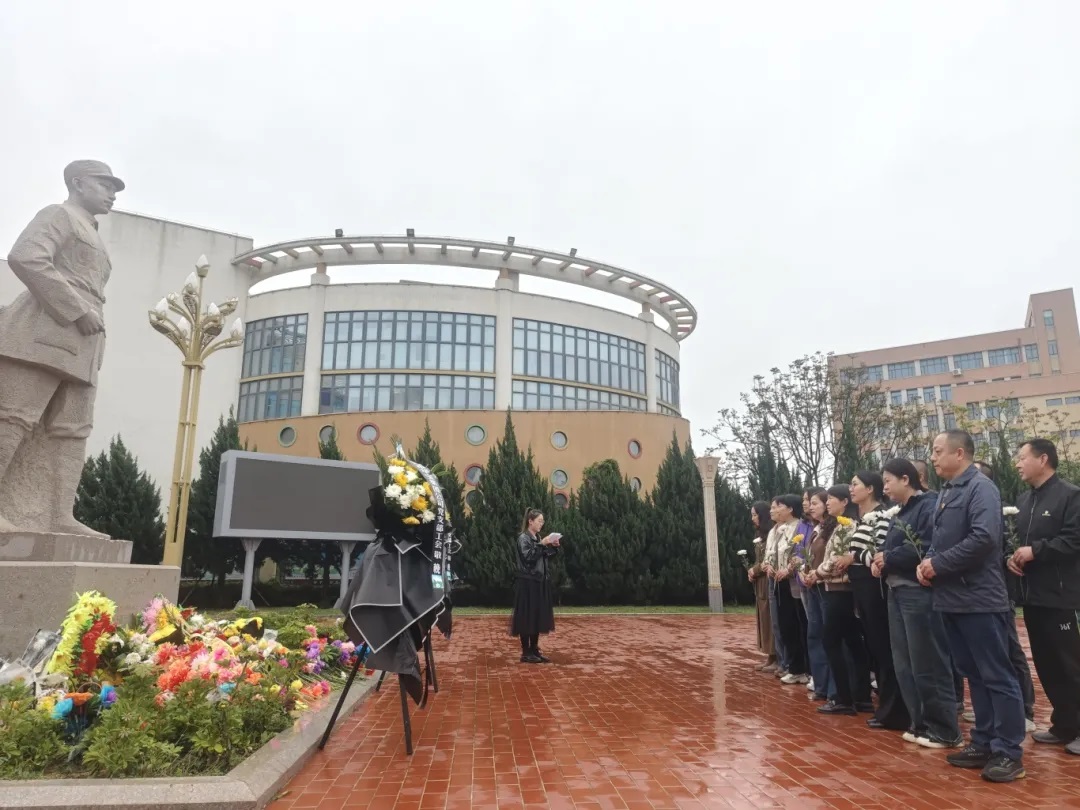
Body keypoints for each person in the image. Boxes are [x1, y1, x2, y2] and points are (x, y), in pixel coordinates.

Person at [0, 160, 124, 536]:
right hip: (42, 330)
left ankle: (59, 515)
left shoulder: (94, 233)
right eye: (105, 185)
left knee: (73, 429)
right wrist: (76, 310)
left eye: (113, 188)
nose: (112, 194)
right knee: (14, 416)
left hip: (84, 342)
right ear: (78, 183)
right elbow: (26, 256)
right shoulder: (58, 214)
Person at [919, 430, 1026, 783]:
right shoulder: (948, 491)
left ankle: (1008, 751)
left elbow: (984, 539)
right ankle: (984, 740)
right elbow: (939, 540)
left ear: (959, 453)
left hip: (979, 599)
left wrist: (938, 564)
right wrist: (927, 563)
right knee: (974, 674)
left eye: (938, 451)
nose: (933, 458)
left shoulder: (982, 488)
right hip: (952, 599)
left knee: (996, 674)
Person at [874, 458, 961, 749]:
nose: (885, 487)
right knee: (905, 663)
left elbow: (925, 546)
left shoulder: (928, 505)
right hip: (897, 591)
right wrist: (880, 559)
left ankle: (945, 729)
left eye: (888, 481)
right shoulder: (901, 511)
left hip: (918, 593)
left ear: (906, 479)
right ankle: (920, 723)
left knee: (928, 662)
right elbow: (890, 547)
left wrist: (888, 558)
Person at [1009, 438, 1080, 753]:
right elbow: (1017, 542)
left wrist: (1035, 550)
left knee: (1070, 665)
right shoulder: (1024, 500)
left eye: (1022, 457)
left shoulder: (1071, 496)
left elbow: (1074, 540)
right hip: (1032, 596)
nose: (1017, 463)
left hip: (1061, 598)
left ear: (1043, 459)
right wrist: (1012, 557)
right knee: (1047, 665)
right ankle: (1064, 725)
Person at [839, 470, 910, 731]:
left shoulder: (882, 515)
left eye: (855, 484)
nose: (851, 489)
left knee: (883, 648)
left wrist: (853, 558)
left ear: (870, 489)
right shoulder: (859, 519)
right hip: (861, 588)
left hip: (875, 588)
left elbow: (881, 554)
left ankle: (894, 710)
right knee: (874, 648)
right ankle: (885, 707)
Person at [972, 460, 1038, 731]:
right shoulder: (976, 509)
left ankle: (1026, 710)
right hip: (979, 594)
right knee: (987, 654)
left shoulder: (1004, 512)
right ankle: (994, 709)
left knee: (1011, 649)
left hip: (1001, 592)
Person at [815, 484, 873, 715]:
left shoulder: (848, 526)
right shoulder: (842, 525)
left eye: (831, 498)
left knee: (831, 640)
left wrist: (817, 573)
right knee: (853, 642)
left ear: (844, 502)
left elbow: (838, 558)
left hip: (841, 590)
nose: (827, 503)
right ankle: (860, 697)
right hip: (840, 589)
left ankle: (844, 698)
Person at [766, 495, 809, 684]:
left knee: (798, 626)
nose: (774, 510)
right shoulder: (777, 530)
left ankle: (803, 668)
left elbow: (799, 552)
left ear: (790, 508)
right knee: (785, 626)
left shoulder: (799, 526)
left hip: (793, 582)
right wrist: (769, 565)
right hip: (779, 581)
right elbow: (772, 553)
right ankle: (793, 666)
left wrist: (789, 569)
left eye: (778, 506)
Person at [510, 508, 560, 664]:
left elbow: (544, 557)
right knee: (527, 617)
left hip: (539, 581)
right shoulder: (523, 538)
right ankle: (526, 652)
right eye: (539, 521)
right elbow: (528, 558)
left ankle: (534, 649)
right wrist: (541, 544)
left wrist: (553, 547)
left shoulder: (537, 538)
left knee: (536, 616)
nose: (541, 524)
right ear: (530, 521)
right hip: (527, 582)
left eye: (542, 521)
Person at [797, 487, 832, 701]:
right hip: (813, 587)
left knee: (828, 637)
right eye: (810, 503)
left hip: (826, 588)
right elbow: (808, 557)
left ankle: (832, 687)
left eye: (815, 503)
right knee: (814, 635)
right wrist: (804, 571)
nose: (810, 507)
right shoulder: (816, 529)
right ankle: (820, 685)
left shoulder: (833, 529)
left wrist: (816, 574)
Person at [748, 501, 778, 672]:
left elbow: (768, 560)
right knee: (763, 618)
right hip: (760, 582)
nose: (753, 518)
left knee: (770, 618)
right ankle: (769, 655)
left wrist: (755, 569)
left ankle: (776, 655)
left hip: (768, 580)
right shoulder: (761, 535)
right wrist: (752, 570)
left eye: (755, 514)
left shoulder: (772, 534)